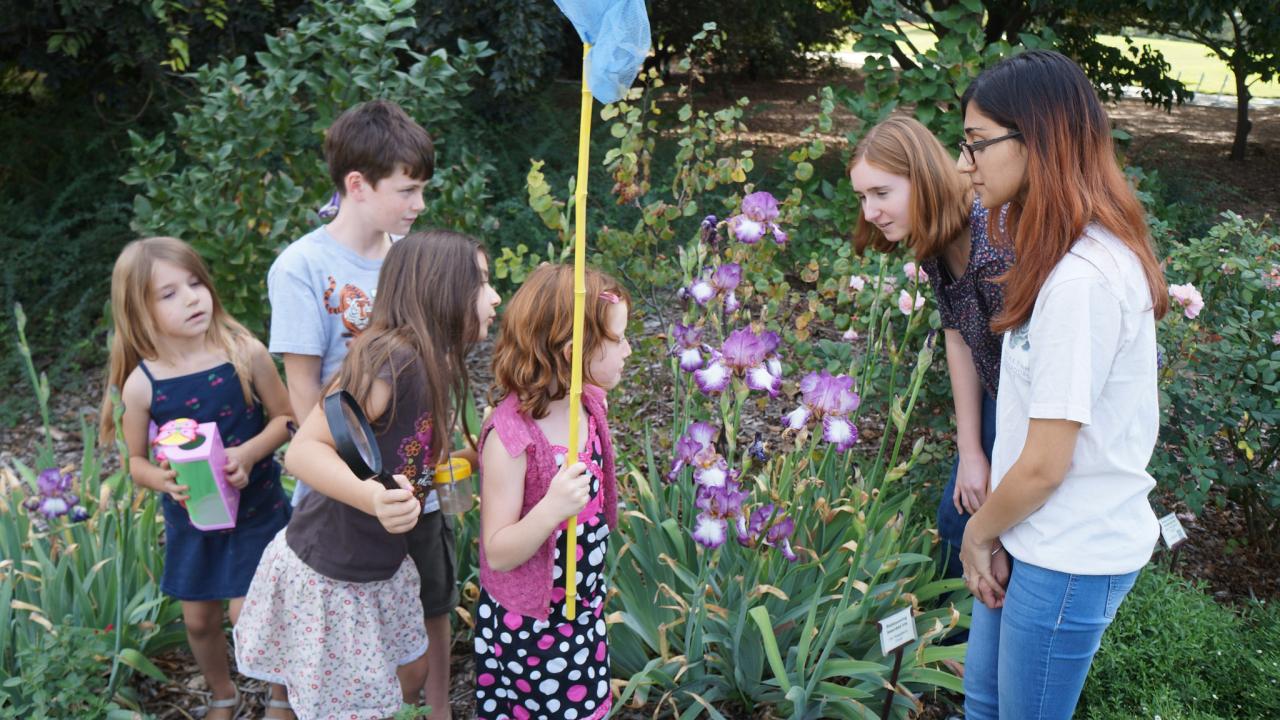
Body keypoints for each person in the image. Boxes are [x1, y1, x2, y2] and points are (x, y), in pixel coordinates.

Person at [954, 49, 1169, 719]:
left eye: (977, 145)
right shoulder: (1055, 254)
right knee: (983, 705)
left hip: (1068, 556)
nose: (965, 166)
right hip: (1034, 535)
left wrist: (976, 535)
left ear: (1037, 140)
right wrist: (999, 533)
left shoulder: (1081, 279)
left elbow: (1047, 464)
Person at [235, 231, 501, 720]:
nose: (495, 297)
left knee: (411, 672)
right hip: (334, 567)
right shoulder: (390, 360)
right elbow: (305, 451)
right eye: (481, 282)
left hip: (378, 561)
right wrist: (371, 498)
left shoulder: (436, 361)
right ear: (440, 288)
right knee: (347, 701)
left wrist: (482, 450)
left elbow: (407, 454)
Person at [101, 236, 294, 720]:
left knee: (250, 613)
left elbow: (286, 419)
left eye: (195, 283)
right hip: (195, 520)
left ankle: (281, 695)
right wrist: (164, 482)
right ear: (137, 311)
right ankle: (222, 694)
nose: (191, 298)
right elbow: (136, 463)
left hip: (257, 512)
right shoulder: (143, 383)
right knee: (201, 620)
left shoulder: (243, 353)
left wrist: (249, 453)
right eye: (169, 294)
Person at [850, 116, 1013, 596]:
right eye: (863, 197)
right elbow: (959, 337)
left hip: (1042, 404)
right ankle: (952, 646)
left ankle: (970, 642)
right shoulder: (937, 242)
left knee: (984, 525)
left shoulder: (995, 237)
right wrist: (970, 451)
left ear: (922, 177)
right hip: (997, 392)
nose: (871, 211)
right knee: (959, 509)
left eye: (881, 193)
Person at [474, 264, 631, 720]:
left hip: (581, 610)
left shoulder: (589, 403)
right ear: (571, 351)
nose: (628, 350)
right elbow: (499, 552)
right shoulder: (511, 438)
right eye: (618, 339)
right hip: (531, 626)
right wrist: (551, 510)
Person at [267, 98, 434, 509]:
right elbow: (303, 389)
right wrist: (348, 482)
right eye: (408, 190)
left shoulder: (407, 255)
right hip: (344, 491)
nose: (420, 205)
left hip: (413, 480)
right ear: (357, 185)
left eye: (423, 190)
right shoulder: (300, 267)